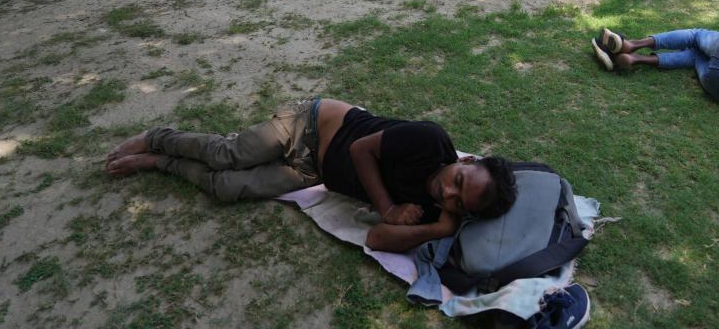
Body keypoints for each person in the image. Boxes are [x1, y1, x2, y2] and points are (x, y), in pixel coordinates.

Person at [106, 98, 518, 252]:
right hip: (312, 125)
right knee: (226, 154)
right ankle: (157, 137)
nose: (447, 192)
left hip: (312, 169)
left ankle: (159, 162)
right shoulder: (430, 141)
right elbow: (360, 149)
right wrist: (388, 206)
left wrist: (435, 231)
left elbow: (375, 239)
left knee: (225, 187)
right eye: (458, 182)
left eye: (457, 203)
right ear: (466, 162)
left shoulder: (436, 211)